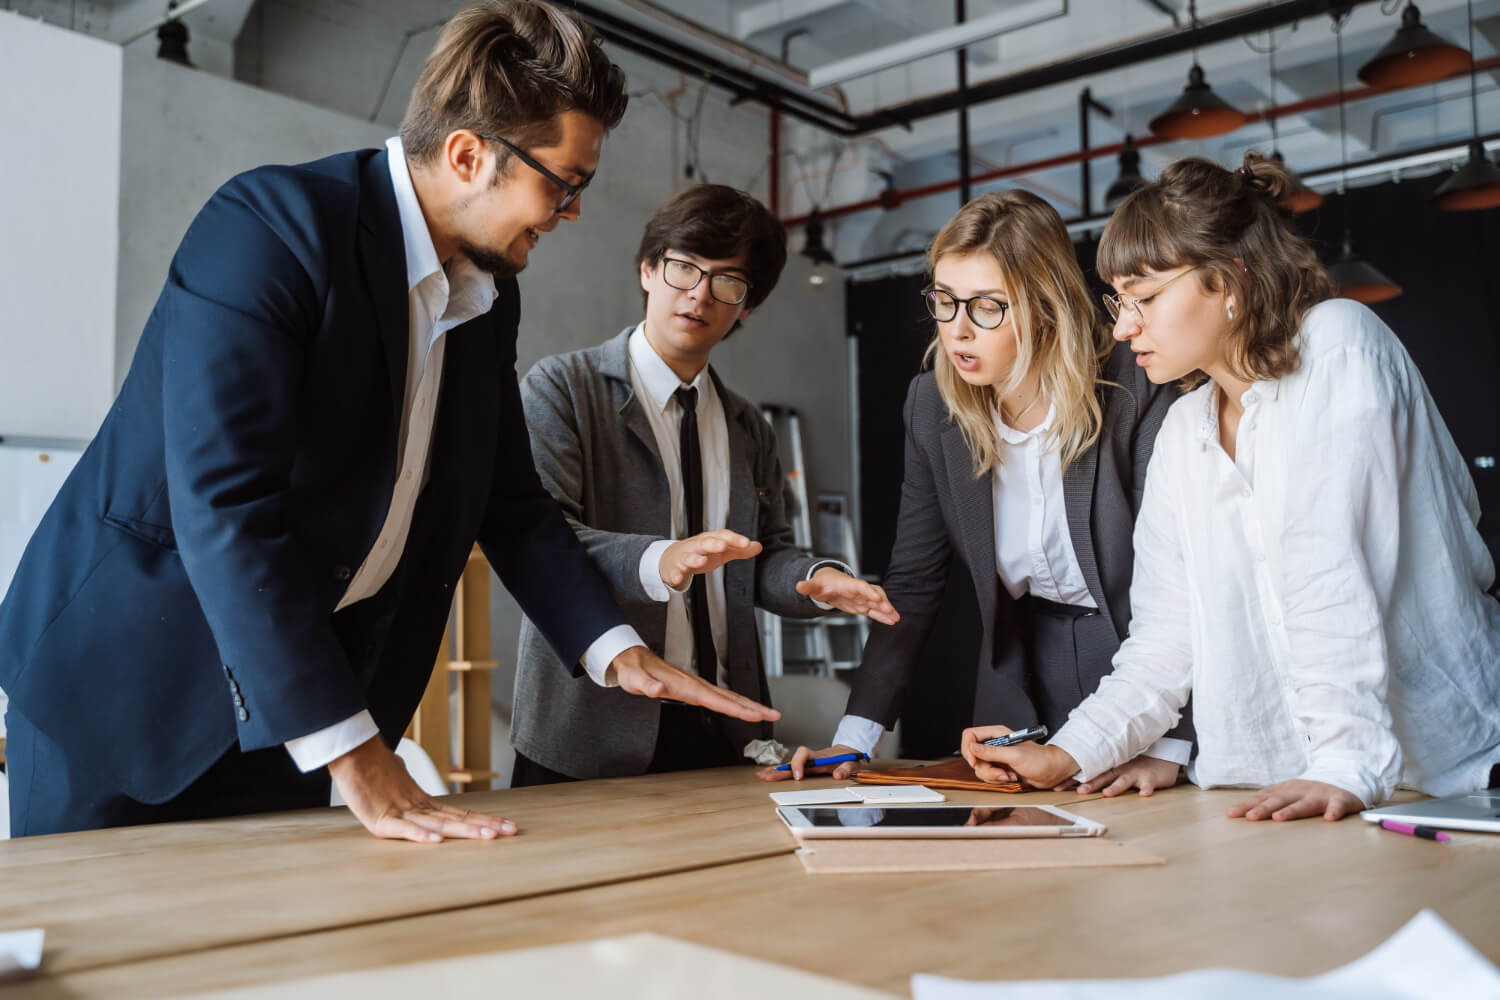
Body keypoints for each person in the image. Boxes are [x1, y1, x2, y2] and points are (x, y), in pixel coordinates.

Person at [0, 0, 776, 842]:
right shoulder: (270, 227)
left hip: (294, 709)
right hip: (127, 689)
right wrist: (353, 749)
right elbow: (224, 503)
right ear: (469, 153)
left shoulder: (488, 297)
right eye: (564, 182)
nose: (572, 212)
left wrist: (613, 649)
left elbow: (511, 507)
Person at [965, 152, 1500, 821]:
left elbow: (1327, 566)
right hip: (1287, 785)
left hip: (1452, 772)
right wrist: (1068, 753)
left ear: (1229, 281)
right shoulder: (1185, 431)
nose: (1124, 325)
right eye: (1118, 302)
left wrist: (1345, 762)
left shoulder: (1339, 344)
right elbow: (1164, 639)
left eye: (1146, 298)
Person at [762, 189, 1192, 792]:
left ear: (1045, 306)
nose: (958, 331)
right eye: (944, 301)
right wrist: (852, 739)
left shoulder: (1134, 385)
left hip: (1146, 677)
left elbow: (1189, 588)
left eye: (988, 306)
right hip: (1018, 687)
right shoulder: (932, 406)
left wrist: (1173, 746)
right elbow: (912, 582)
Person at [511, 184, 897, 783]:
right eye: (683, 268)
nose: (700, 294)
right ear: (647, 269)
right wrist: (661, 558)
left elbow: (762, 556)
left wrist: (816, 580)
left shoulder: (748, 426)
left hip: (723, 728)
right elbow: (545, 540)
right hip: (590, 732)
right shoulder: (562, 388)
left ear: (747, 306)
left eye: (728, 281)